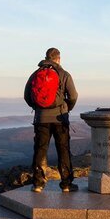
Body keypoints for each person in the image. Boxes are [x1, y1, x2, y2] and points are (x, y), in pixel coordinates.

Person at [24, 47, 79, 192]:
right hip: (60, 118)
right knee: (63, 150)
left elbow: (27, 96)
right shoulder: (64, 74)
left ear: (46, 57)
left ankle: (38, 184)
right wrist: (67, 107)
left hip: (41, 119)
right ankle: (66, 184)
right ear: (58, 59)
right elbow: (73, 96)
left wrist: (38, 107)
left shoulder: (36, 74)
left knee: (41, 150)